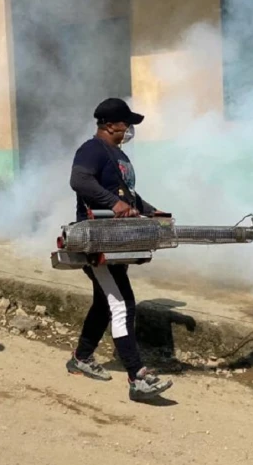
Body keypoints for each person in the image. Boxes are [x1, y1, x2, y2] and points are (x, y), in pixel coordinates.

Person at [66, 97, 174, 402]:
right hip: (97, 239)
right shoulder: (92, 149)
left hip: (118, 239)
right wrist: (113, 204)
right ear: (111, 124)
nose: (129, 129)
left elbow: (128, 196)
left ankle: (81, 357)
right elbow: (79, 180)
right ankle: (137, 376)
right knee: (123, 303)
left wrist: (151, 211)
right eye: (126, 124)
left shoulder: (118, 154)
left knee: (105, 303)